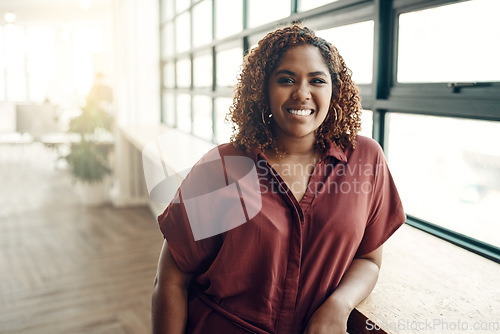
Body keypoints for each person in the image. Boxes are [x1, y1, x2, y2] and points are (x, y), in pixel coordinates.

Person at [152, 24, 406, 334]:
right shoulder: (222, 167)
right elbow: (171, 280)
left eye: (317, 80)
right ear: (263, 90)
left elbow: (369, 259)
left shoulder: (365, 158)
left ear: (334, 91)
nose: (302, 93)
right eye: (286, 80)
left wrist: (339, 304)